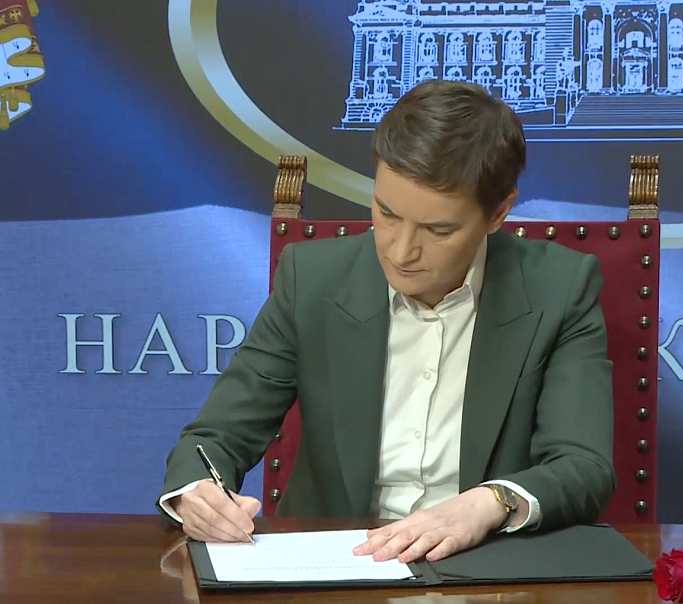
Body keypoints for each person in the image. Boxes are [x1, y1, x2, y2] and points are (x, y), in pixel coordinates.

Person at [156, 79, 615, 564]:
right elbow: (216, 436)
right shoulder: (312, 280)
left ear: (499, 211)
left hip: (484, 565)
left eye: (437, 230)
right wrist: (197, 494)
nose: (401, 251)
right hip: (337, 562)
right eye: (387, 214)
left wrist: (489, 503)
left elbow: (583, 466)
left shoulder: (559, 290)